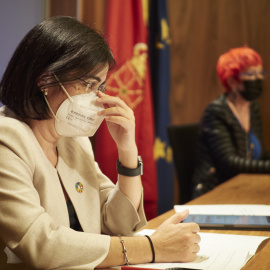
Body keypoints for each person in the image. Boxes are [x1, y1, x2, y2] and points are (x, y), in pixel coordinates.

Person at [0, 16, 200, 269]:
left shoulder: (74, 141)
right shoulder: (6, 140)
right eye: (88, 84)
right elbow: (40, 245)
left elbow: (118, 222)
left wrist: (127, 150)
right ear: (44, 80)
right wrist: (152, 248)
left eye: (100, 86)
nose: (96, 98)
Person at [191, 46, 270, 198]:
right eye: (251, 74)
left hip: (245, 187)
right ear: (233, 80)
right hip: (215, 192)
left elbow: (259, 156)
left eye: (260, 73)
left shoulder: (252, 107)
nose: (258, 79)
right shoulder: (216, 111)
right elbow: (230, 163)